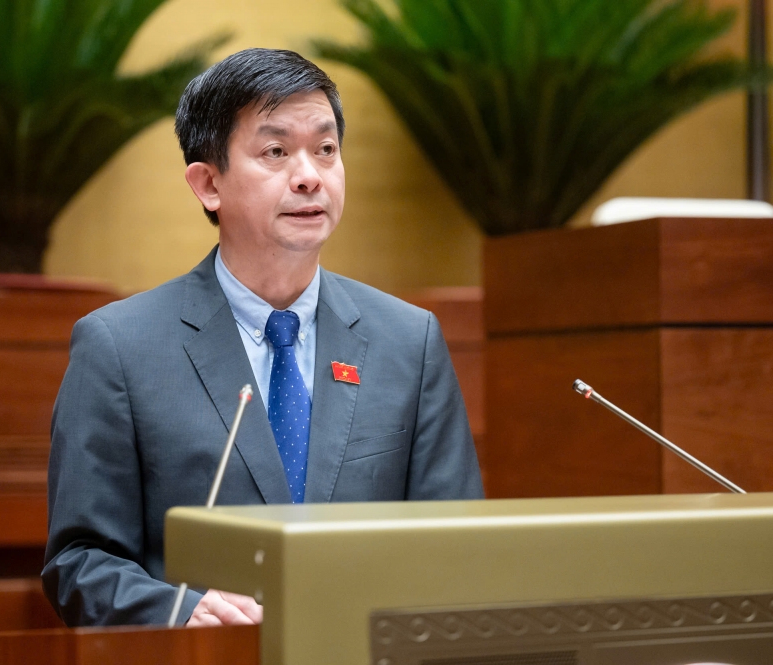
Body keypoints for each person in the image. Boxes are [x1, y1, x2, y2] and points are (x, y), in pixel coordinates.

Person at [42, 48, 484, 628]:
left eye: (326, 150)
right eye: (276, 152)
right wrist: (181, 611)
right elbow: (80, 562)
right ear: (208, 184)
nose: (309, 176)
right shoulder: (120, 347)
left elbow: (458, 547)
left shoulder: (409, 340)